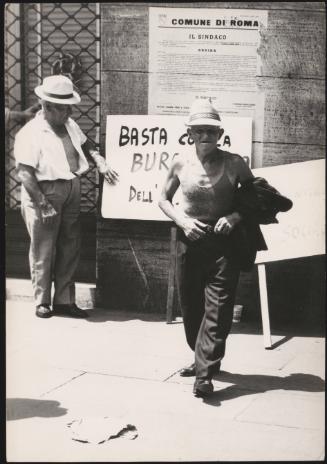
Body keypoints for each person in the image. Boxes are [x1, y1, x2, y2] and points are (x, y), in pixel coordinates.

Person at [159, 99, 265, 397]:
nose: (205, 136)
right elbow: (163, 199)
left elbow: (255, 198)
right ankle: (201, 356)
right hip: (189, 242)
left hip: (225, 245)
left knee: (218, 308)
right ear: (189, 133)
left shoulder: (235, 163)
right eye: (199, 131)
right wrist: (182, 221)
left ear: (220, 134)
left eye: (211, 131)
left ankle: (204, 374)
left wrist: (235, 216)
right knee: (191, 306)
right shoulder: (179, 162)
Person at [14, 75, 119, 319]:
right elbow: (25, 173)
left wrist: (99, 161)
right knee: (44, 248)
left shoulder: (70, 125)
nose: (69, 112)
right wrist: (42, 203)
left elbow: (86, 144)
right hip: (44, 191)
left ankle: (64, 300)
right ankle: (42, 301)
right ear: (46, 106)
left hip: (71, 186)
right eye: (63, 108)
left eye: (70, 106)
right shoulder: (31, 133)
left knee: (70, 245)